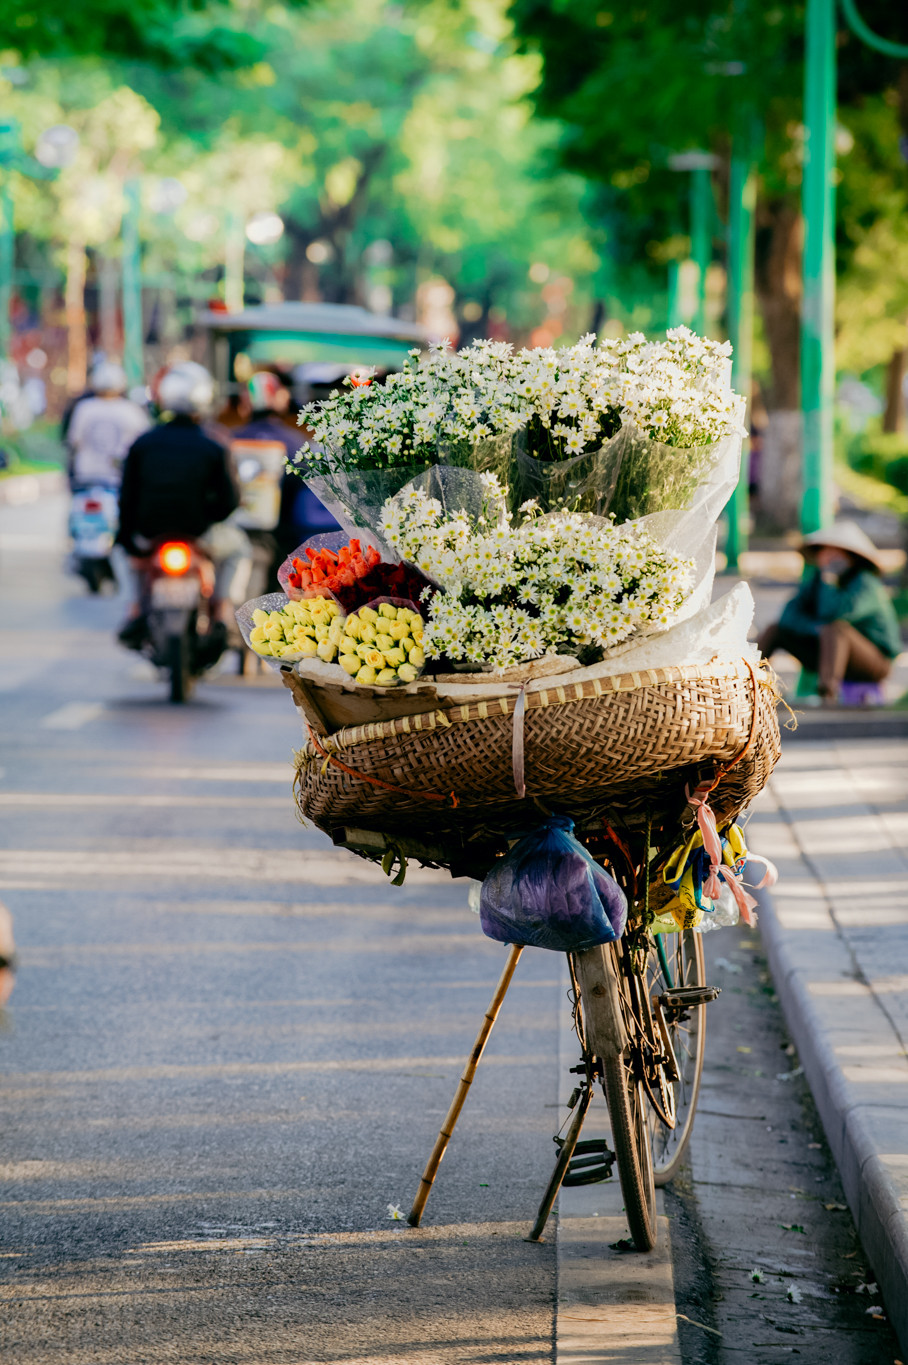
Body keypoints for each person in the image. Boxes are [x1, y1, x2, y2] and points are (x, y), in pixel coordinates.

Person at [116, 362, 251, 644]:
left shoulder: (142, 444)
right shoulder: (214, 445)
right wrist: (208, 517)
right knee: (240, 549)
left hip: (149, 535)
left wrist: (127, 541)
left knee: (118, 553)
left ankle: (134, 608)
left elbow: (126, 499)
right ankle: (223, 610)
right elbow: (230, 500)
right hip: (200, 534)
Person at [757, 521, 902, 703]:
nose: (828, 558)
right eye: (824, 552)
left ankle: (827, 694)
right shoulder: (816, 581)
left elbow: (835, 613)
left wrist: (830, 580)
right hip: (828, 653)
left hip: (874, 663)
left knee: (835, 629)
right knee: (775, 630)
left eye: (835, 554)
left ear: (851, 557)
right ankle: (751, 682)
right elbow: (788, 615)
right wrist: (815, 628)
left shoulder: (865, 583)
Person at [234, 368, 339, 559]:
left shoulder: (228, 439)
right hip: (286, 536)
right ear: (280, 397)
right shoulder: (297, 442)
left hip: (238, 529)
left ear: (246, 402)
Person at [65, 361, 151, 490]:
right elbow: (144, 443)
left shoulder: (84, 408)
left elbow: (74, 441)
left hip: (87, 477)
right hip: (119, 478)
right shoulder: (131, 410)